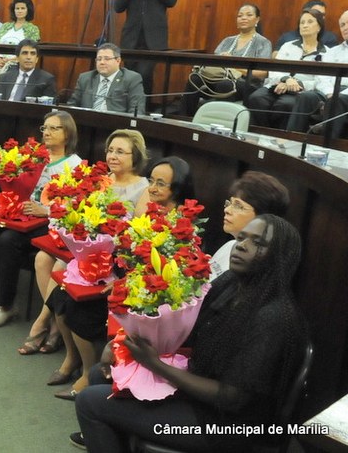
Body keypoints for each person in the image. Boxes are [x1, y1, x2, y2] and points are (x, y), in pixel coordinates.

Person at [74, 214, 307, 452]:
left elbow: (231, 398)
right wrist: (122, 345)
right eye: (243, 237)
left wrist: (156, 365)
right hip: (200, 395)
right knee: (100, 375)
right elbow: (186, 327)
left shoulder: (273, 317)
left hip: (226, 425)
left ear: (280, 258)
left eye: (258, 243)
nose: (242, 245)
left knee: (88, 402)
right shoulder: (232, 282)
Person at [33, 129, 149, 397]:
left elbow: (137, 232)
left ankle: (87, 371)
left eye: (121, 151)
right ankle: (71, 356)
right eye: (110, 150)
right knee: (59, 291)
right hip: (88, 255)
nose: (113, 156)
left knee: (73, 301)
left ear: (136, 157)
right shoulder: (99, 180)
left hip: (117, 261)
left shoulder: (143, 188)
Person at [0, 110, 82, 327]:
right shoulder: (32, 156)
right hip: (20, 214)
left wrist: (45, 211)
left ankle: (6, 305)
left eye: (54, 128)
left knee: (8, 240)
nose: (47, 132)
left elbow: (75, 208)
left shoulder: (75, 164)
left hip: (48, 223)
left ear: (67, 134)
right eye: (45, 128)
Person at [180, 4, 272, 116]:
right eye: (240, 16)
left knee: (225, 84)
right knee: (194, 79)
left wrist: (233, 65)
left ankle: (221, 123)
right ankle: (184, 119)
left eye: (249, 15)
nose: (243, 18)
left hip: (247, 84)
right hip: (219, 77)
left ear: (257, 19)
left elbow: (262, 74)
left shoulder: (263, 43)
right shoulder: (227, 41)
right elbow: (213, 64)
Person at [247, 9, 327, 129]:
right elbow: (274, 69)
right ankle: (260, 134)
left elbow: (321, 81)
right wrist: (286, 79)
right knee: (256, 98)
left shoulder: (326, 52)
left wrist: (297, 83)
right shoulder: (288, 46)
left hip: (300, 92)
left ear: (319, 27)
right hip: (277, 85)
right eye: (302, 22)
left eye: (310, 22)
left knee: (285, 104)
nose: (304, 25)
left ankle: (278, 138)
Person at [208, 171, 289, 280]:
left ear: (263, 217)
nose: (227, 210)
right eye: (230, 203)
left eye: (238, 206)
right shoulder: (230, 245)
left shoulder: (256, 267)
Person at [113, 0, 177, 95]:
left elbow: (171, 1)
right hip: (131, 39)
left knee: (143, 74)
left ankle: (143, 109)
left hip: (153, 41)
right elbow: (118, 7)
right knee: (129, 75)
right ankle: (129, 108)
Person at [286, 9, 348, 135]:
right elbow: (322, 77)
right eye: (342, 25)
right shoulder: (333, 51)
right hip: (330, 91)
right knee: (306, 97)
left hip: (345, 95)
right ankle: (291, 139)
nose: (345, 28)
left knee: (338, 101)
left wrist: (335, 96)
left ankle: (327, 147)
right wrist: (330, 93)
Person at [67, 42, 146, 114]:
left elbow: (137, 110)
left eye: (107, 59)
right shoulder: (85, 78)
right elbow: (72, 105)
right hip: (86, 124)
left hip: (117, 126)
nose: (102, 62)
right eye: (99, 59)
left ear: (118, 60)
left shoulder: (132, 79)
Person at [273, 0, 339, 54]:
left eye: (323, 15)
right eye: (317, 13)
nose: (321, 17)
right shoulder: (287, 40)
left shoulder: (330, 38)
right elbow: (275, 57)